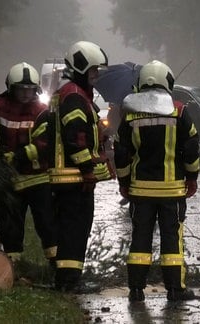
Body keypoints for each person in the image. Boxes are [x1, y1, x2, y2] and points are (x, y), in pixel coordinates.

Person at [114, 60, 200, 302]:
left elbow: (121, 152)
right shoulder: (179, 110)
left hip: (140, 190)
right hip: (172, 190)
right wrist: (192, 177)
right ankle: (175, 289)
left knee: (140, 237)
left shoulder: (130, 113)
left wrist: (124, 182)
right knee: (172, 238)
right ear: (167, 82)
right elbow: (192, 147)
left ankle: (136, 290)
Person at [0, 62, 57, 269]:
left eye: (30, 90)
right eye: (21, 89)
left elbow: (46, 143)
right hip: (8, 179)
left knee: (47, 223)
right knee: (10, 224)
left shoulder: (42, 110)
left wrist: (18, 156)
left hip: (38, 178)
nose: (26, 94)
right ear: (11, 88)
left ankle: (56, 264)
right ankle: (13, 267)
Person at [47, 41, 114, 293]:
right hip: (73, 177)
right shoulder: (74, 96)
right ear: (81, 68)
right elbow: (75, 138)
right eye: (93, 71)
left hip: (70, 177)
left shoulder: (73, 93)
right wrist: (87, 168)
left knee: (73, 228)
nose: (96, 76)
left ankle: (68, 279)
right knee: (75, 229)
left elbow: (80, 132)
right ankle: (69, 282)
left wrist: (100, 135)